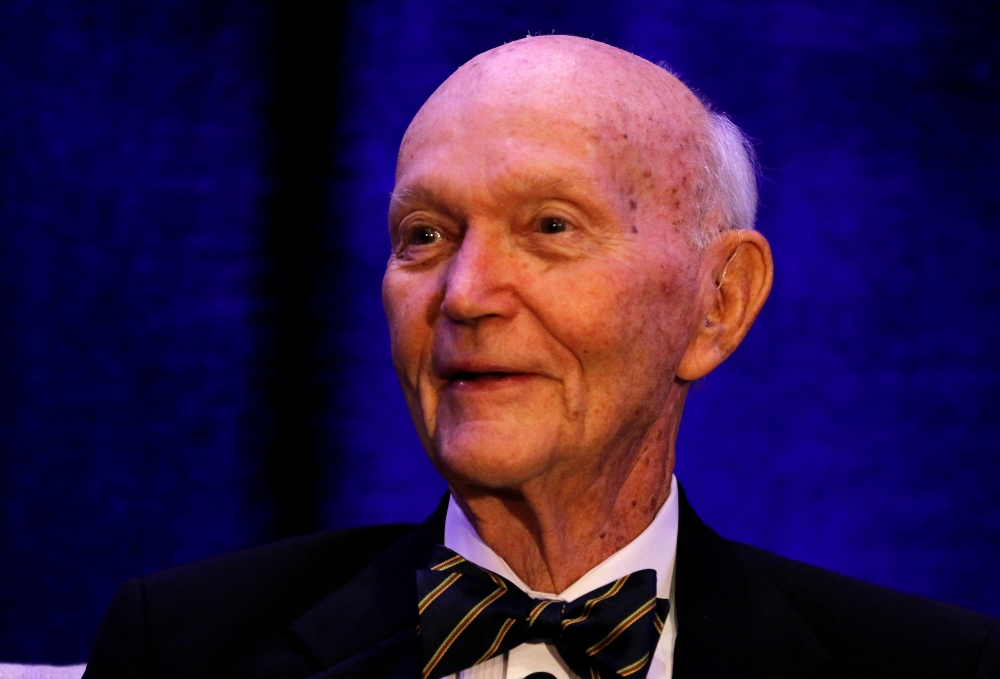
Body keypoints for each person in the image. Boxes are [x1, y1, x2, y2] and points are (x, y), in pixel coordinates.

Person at [84, 35, 999, 679]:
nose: (468, 293)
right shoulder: (185, 646)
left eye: (550, 227)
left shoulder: (934, 665)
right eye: (426, 234)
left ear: (717, 304)